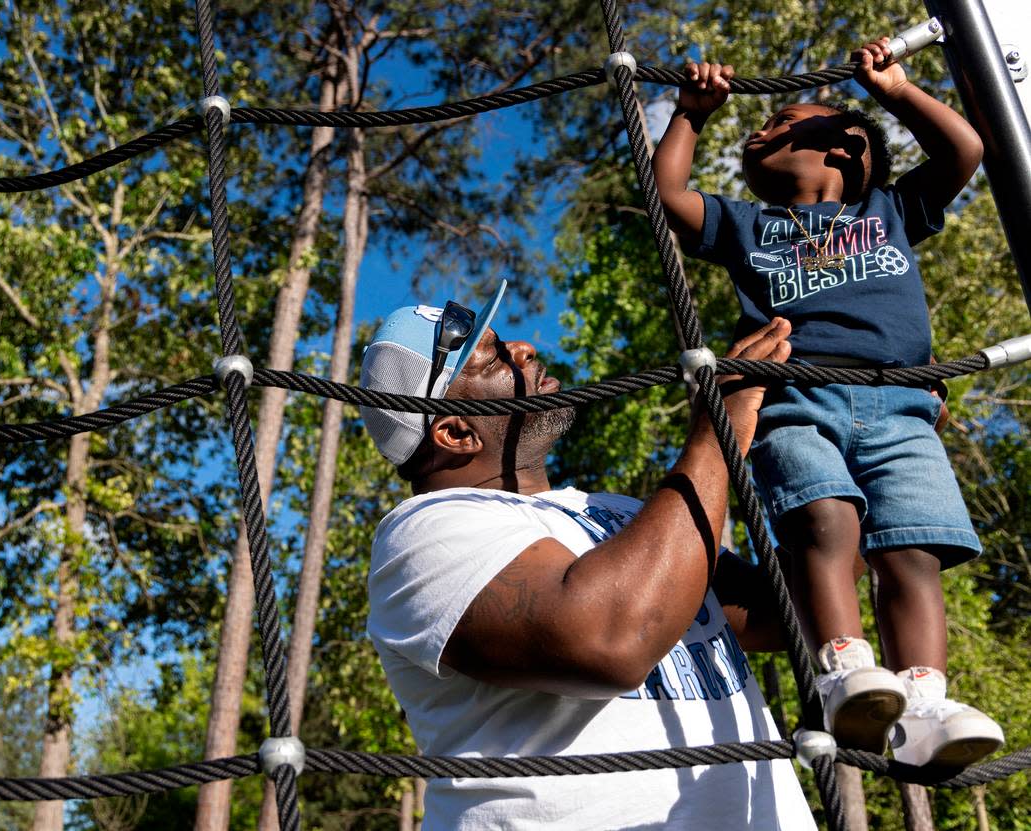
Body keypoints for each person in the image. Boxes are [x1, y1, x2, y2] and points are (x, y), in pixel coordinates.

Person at [651, 37, 1004, 766]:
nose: (764, 127)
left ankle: (926, 699)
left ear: (844, 148)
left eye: (785, 119)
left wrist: (896, 94)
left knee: (912, 553)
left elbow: (965, 151)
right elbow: (670, 198)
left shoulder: (892, 209)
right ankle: (844, 670)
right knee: (824, 521)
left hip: (902, 407)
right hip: (798, 397)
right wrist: (690, 116)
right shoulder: (753, 226)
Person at [359, 281, 816, 829]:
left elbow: (784, 611)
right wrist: (719, 431)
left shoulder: (621, 512)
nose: (525, 348)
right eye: (490, 357)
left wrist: (849, 446)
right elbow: (612, 642)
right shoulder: (422, 535)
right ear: (457, 433)